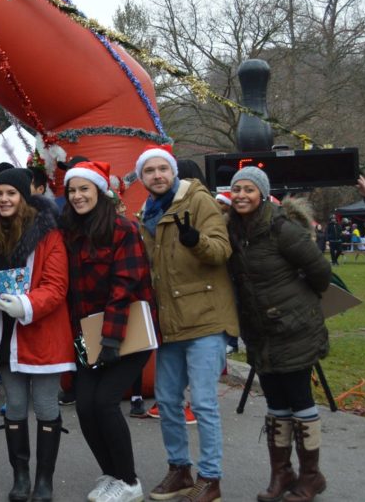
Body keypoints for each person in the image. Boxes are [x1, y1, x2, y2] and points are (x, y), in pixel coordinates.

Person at [135, 146, 238, 502]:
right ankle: (179, 470)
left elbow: (221, 250)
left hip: (206, 319)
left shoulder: (198, 201)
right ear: (142, 178)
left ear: (173, 171)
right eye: (150, 171)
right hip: (170, 322)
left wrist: (197, 242)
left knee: (205, 402)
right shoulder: (146, 214)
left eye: (163, 168)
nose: (158, 175)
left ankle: (210, 478)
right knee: (165, 398)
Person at [225, 167, 331, 502]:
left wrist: (299, 305)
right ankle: (282, 472)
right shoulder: (232, 230)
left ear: (261, 193)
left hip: (295, 328)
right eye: (236, 189)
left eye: (249, 190)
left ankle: (312, 476)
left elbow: (320, 272)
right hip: (261, 331)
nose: (241, 195)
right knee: (275, 404)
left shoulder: (280, 229)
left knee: (299, 400)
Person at [62, 161, 155, 502]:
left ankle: (129, 482)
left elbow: (126, 285)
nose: (77, 196)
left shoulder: (122, 229)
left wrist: (111, 338)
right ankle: (112, 473)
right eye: (72, 190)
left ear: (99, 191)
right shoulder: (70, 231)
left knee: (104, 403)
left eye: (84, 189)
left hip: (125, 333)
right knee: (85, 406)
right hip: (87, 333)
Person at [0, 168, 72, 502]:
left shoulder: (49, 233)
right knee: (14, 406)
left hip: (43, 333)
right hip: (6, 336)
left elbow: (56, 286)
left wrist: (25, 304)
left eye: (11, 194)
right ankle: (21, 478)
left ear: (24, 196)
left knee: (47, 405)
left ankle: (43, 480)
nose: (3, 199)